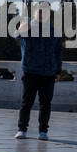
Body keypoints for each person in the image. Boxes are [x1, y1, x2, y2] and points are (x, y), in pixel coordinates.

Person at [14, 7, 63, 140]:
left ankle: (43, 131)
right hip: (31, 70)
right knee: (26, 102)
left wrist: (58, 71)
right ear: (34, 14)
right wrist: (27, 24)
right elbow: (17, 35)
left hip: (49, 72)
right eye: (39, 12)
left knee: (45, 103)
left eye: (45, 13)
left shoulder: (54, 31)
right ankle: (22, 129)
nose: (42, 15)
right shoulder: (28, 27)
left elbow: (58, 52)